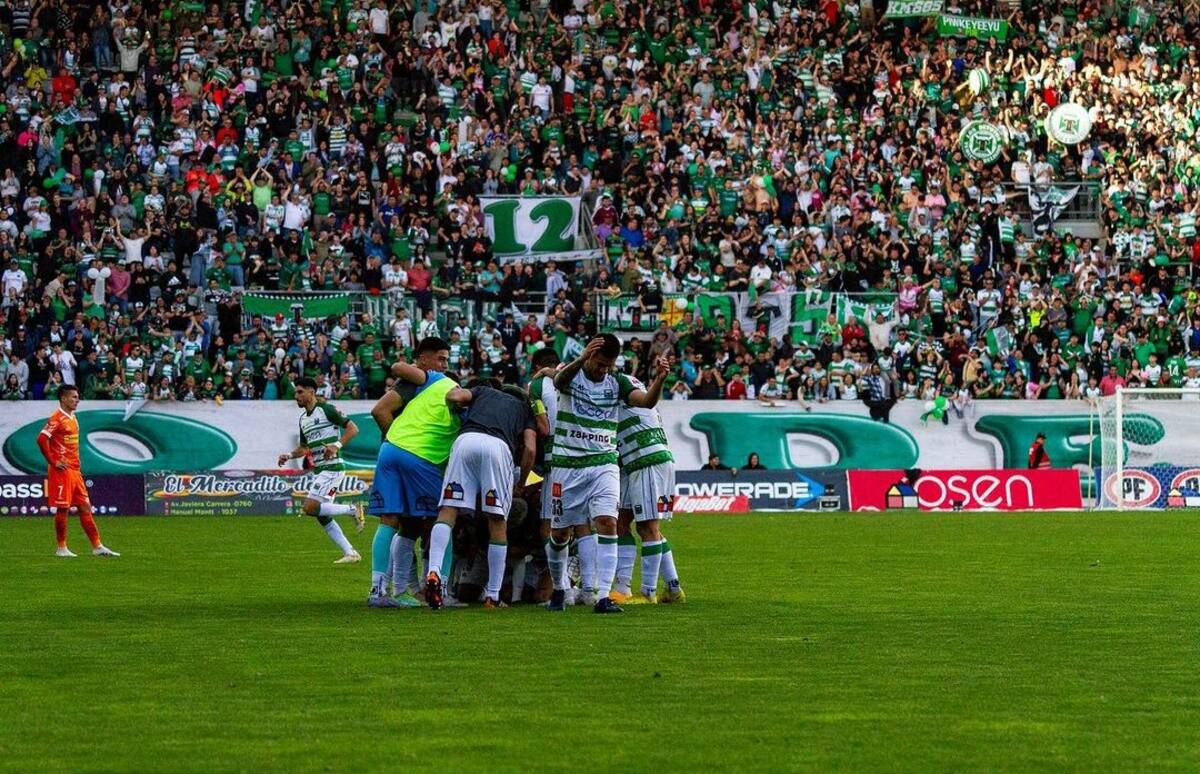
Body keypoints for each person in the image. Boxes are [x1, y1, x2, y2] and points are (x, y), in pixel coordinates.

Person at [545, 335, 670, 614]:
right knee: (560, 534)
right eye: (600, 364)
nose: (604, 370)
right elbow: (558, 382)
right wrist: (580, 359)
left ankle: (603, 597)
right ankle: (559, 587)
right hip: (567, 466)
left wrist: (659, 379)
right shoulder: (572, 374)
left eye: (608, 365)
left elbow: (646, 401)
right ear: (589, 355)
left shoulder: (617, 381)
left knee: (608, 523)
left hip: (604, 463)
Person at [424, 382, 538, 609]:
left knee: (448, 510)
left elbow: (453, 395)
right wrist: (522, 481)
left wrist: (456, 410)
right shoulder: (524, 409)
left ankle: (434, 570)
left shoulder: (483, 391)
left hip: (466, 441)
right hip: (498, 447)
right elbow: (530, 448)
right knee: (497, 520)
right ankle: (493, 595)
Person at [365, 337, 459, 608]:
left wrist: (395, 439)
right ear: (423, 359)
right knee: (441, 520)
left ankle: (379, 591)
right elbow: (380, 410)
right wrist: (406, 441)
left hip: (391, 450)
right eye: (440, 358)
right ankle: (440, 590)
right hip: (419, 456)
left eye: (446, 359)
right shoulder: (423, 382)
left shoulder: (422, 384)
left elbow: (381, 409)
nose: (444, 364)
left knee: (391, 521)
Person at [528, 347, 600, 605]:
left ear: (536, 366)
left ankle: (564, 589)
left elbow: (544, 428)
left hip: (558, 459)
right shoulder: (579, 376)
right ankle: (589, 589)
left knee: (550, 526)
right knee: (583, 525)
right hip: (588, 454)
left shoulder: (536, 386)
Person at [612, 376, 685, 605]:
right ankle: (670, 587)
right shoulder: (632, 383)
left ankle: (647, 592)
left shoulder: (615, 382)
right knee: (620, 522)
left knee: (648, 527)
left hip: (646, 460)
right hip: (636, 462)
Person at [276, 377, 364, 564]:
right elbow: (303, 448)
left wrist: (336, 445)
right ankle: (351, 552)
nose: (296, 396)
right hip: (320, 469)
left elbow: (353, 428)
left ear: (311, 392)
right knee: (321, 516)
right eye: (295, 392)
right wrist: (289, 456)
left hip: (332, 468)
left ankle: (352, 509)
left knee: (309, 507)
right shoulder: (303, 420)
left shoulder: (326, 410)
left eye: (300, 392)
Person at [37, 385, 119, 558]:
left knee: (85, 506)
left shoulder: (73, 417)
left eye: (77, 396)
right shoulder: (57, 418)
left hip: (75, 470)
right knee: (63, 508)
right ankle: (61, 548)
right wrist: (53, 461)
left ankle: (97, 546)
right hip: (62, 470)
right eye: (73, 397)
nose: (77, 400)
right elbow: (42, 439)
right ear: (63, 399)